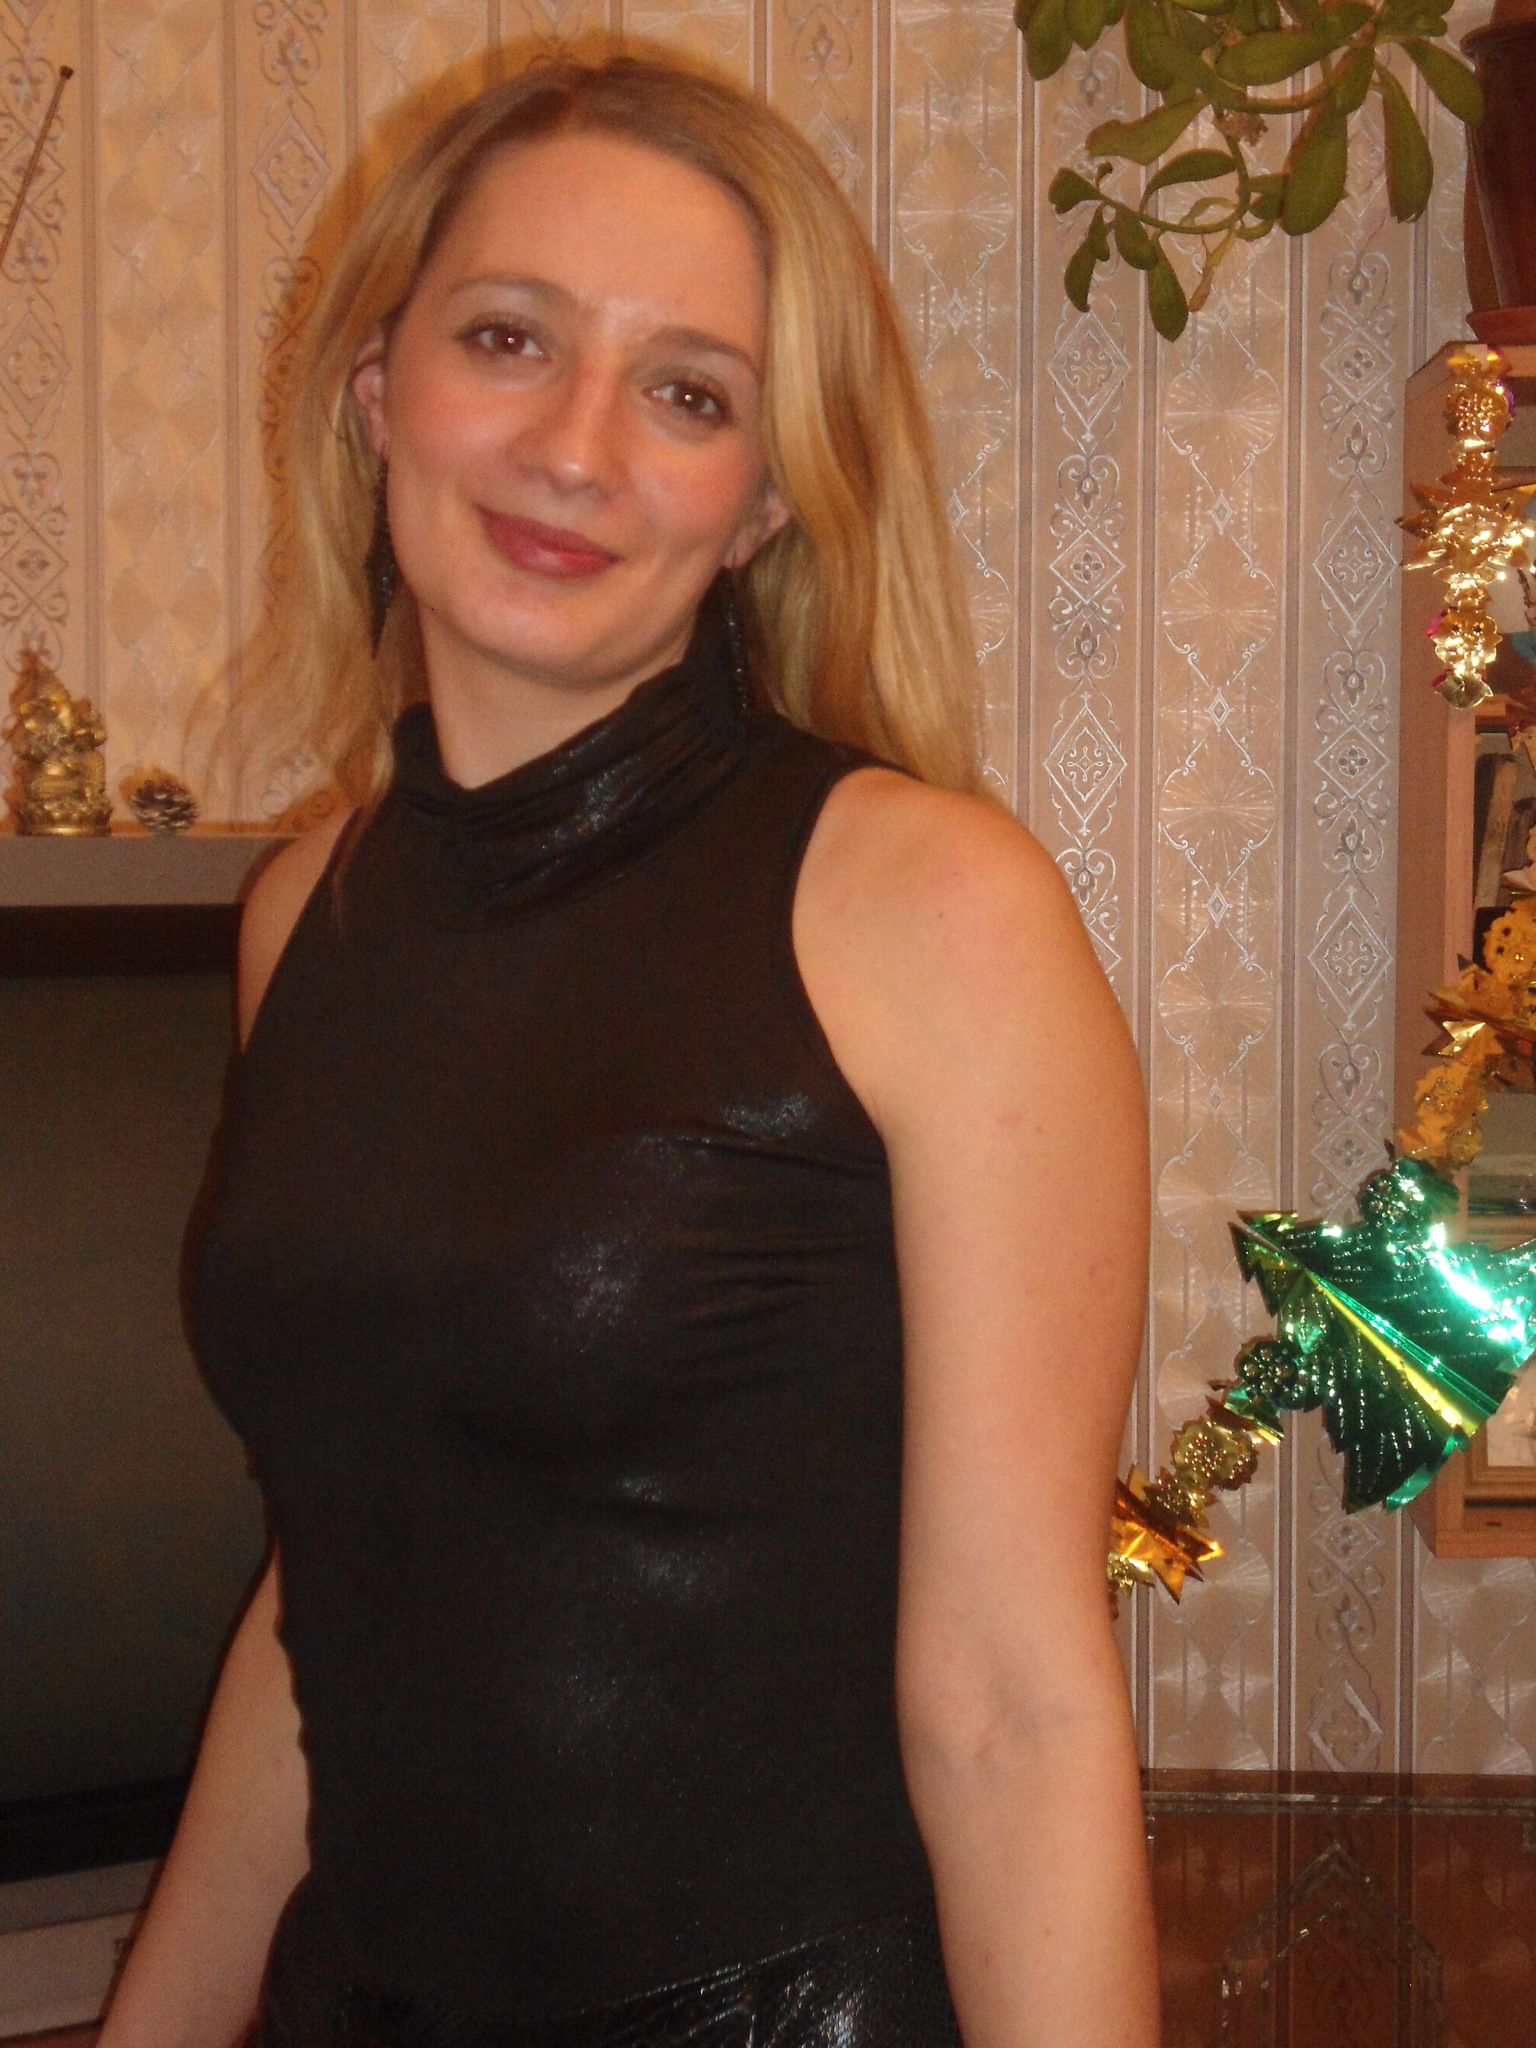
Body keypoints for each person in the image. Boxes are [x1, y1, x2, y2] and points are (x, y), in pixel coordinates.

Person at [99, 50, 1159, 2048]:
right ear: (377, 387)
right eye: (509, 338)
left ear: (768, 498)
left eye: (688, 392)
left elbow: (1018, 1704)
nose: (575, 449)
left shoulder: (928, 907)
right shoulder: (298, 914)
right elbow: (333, 1593)